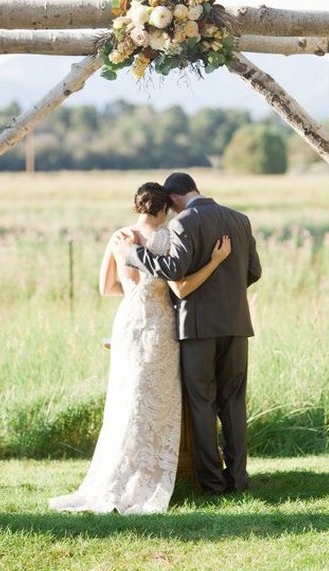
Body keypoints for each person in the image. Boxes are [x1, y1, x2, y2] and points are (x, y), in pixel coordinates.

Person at [49, 182, 231, 515]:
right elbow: (180, 288)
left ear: (138, 207)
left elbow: (107, 287)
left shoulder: (119, 237)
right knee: (156, 398)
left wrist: (136, 289)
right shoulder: (166, 238)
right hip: (160, 322)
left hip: (129, 320)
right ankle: (157, 473)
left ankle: (117, 473)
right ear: (163, 209)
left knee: (125, 397)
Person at [121, 172, 262, 496]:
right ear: (194, 189)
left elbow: (173, 270)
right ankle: (238, 480)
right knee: (234, 401)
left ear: (172, 199)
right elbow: (253, 271)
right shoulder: (240, 219)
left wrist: (134, 254)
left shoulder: (184, 223)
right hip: (237, 325)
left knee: (202, 402)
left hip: (197, 328)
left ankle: (212, 483)